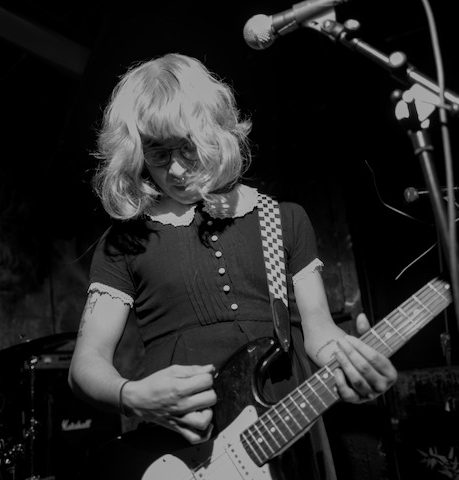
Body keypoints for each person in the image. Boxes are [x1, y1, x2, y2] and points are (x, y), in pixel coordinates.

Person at [68, 52, 397, 479]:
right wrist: (130, 396)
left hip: (290, 439)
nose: (176, 168)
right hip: (188, 458)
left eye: (187, 147)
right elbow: (86, 363)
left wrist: (353, 359)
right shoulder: (125, 242)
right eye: (158, 153)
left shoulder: (284, 219)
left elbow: (320, 333)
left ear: (212, 132)